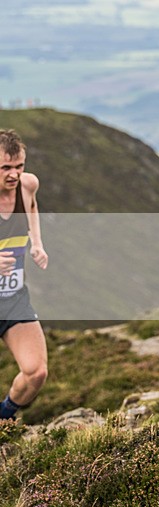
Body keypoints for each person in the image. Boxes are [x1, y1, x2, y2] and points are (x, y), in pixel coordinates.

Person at [0, 129, 49, 421]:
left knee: (36, 373)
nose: (14, 174)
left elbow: (32, 207)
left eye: (19, 166)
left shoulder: (28, 185)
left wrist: (37, 243)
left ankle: (3, 418)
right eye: (5, 167)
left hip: (12, 299)